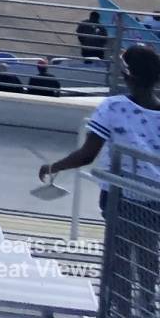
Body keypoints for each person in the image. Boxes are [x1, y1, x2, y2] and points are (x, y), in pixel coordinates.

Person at [41, 42, 160, 308]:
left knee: (118, 258)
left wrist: (53, 167)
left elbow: (87, 155)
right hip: (155, 200)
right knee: (148, 252)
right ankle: (148, 305)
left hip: (119, 199)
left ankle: (120, 309)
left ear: (129, 75)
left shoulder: (113, 106)